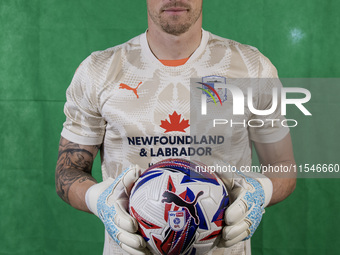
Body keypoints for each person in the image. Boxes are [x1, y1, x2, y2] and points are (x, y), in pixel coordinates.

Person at [55, 0, 296, 254]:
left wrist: (260, 192)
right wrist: (98, 199)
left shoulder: (253, 68)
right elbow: (67, 171)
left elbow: (283, 166)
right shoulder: (98, 71)